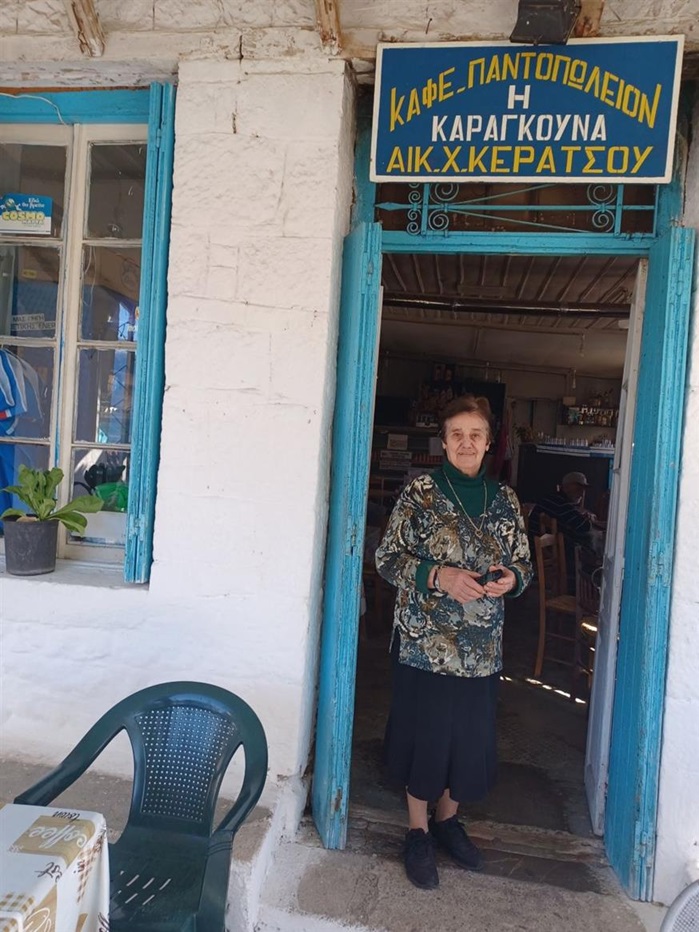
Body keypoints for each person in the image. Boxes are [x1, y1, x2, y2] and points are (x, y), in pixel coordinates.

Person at [375, 394, 532, 890]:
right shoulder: (421, 493)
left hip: (480, 648)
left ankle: (447, 821)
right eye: (457, 435)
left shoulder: (504, 499)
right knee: (424, 735)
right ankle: (417, 831)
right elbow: (386, 558)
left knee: (467, 737)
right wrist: (437, 575)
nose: (466, 443)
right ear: (443, 443)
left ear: (488, 443)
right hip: (425, 644)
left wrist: (512, 578)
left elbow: (523, 564)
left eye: (475, 435)